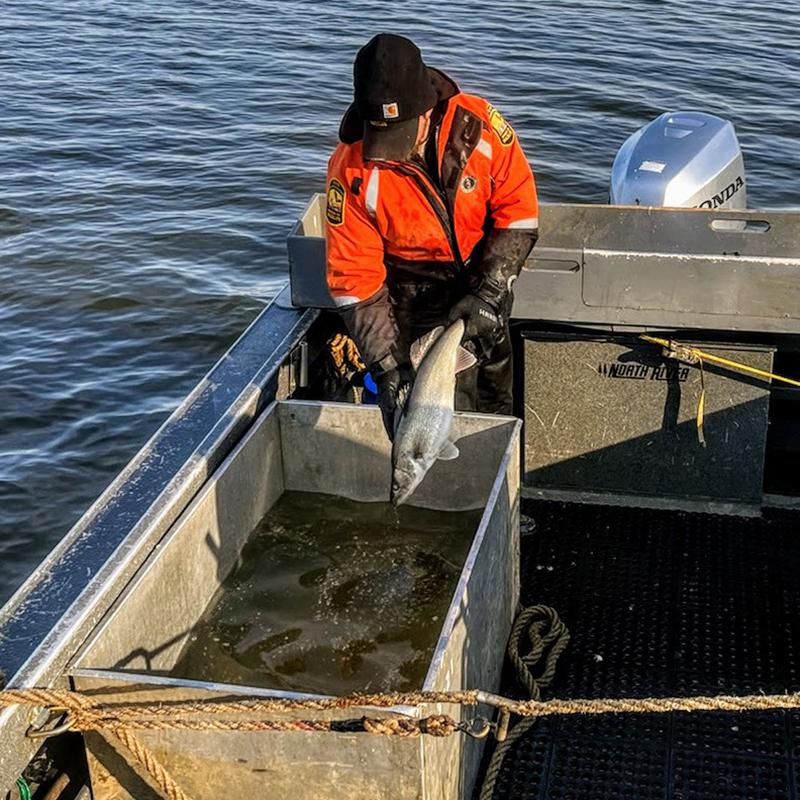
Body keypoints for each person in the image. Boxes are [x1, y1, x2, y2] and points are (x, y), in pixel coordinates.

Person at [325, 33, 539, 436]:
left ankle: (496, 481)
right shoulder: (350, 170)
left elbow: (519, 210)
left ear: (427, 109)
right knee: (435, 423)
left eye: (402, 132)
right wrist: (386, 364)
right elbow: (354, 279)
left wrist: (491, 291)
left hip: (485, 286)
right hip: (412, 301)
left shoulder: (480, 129)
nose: (393, 148)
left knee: (495, 404)